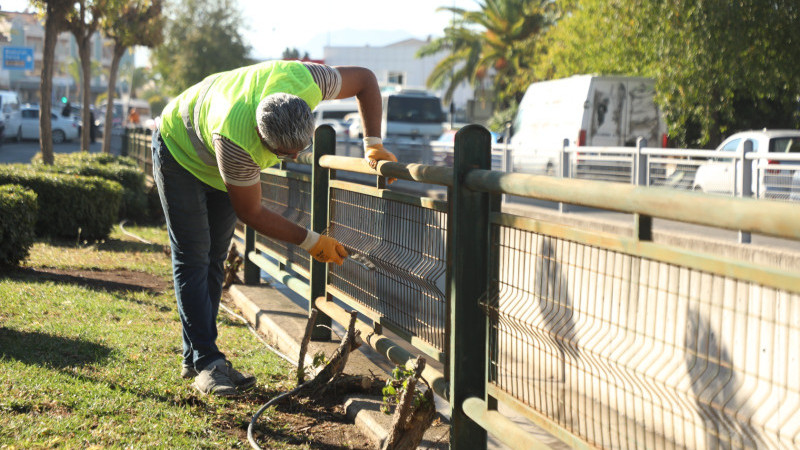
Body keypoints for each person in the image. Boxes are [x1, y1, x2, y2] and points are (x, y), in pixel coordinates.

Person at [152, 60, 397, 397]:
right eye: (284, 153)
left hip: (215, 139)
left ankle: (197, 356)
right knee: (194, 256)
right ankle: (207, 362)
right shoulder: (237, 140)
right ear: (262, 139)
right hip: (181, 152)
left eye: (302, 148)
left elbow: (366, 79)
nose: (295, 157)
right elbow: (251, 211)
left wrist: (373, 142)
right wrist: (311, 241)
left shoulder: (306, 81)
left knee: (213, 259)